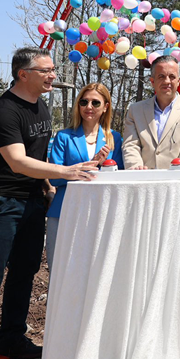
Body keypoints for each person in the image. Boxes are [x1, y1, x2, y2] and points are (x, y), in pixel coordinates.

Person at [0, 48, 96, 359]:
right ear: (23, 73)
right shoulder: (2, 111)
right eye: (46, 70)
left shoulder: (42, 107)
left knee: (24, 272)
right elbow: (18, 162)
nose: (53, 75)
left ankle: (10, 343)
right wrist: (65, 172)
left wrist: (50, 185)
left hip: (33, 202)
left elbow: (38, 159)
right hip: (1, 203)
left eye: (53, 69)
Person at [47, 83, 124, 267]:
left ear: (106, 107)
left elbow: (119, 178)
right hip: (64, 211)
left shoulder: (115, 138)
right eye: (84, 101)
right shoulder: (63, 136)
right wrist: (94, 163)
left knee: (93, 271)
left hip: (101, 213)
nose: (89, 107)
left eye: (95, 103)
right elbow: (54, 177)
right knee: (60, 270)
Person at [122, 55, 180, 169]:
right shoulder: (135, 110)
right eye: (161, 76)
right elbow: (130, 145)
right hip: (143, 180)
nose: (167, 81)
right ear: (152, 81)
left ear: (179, 81)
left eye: (172, 76)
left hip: (178, 180)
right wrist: (136, 167)